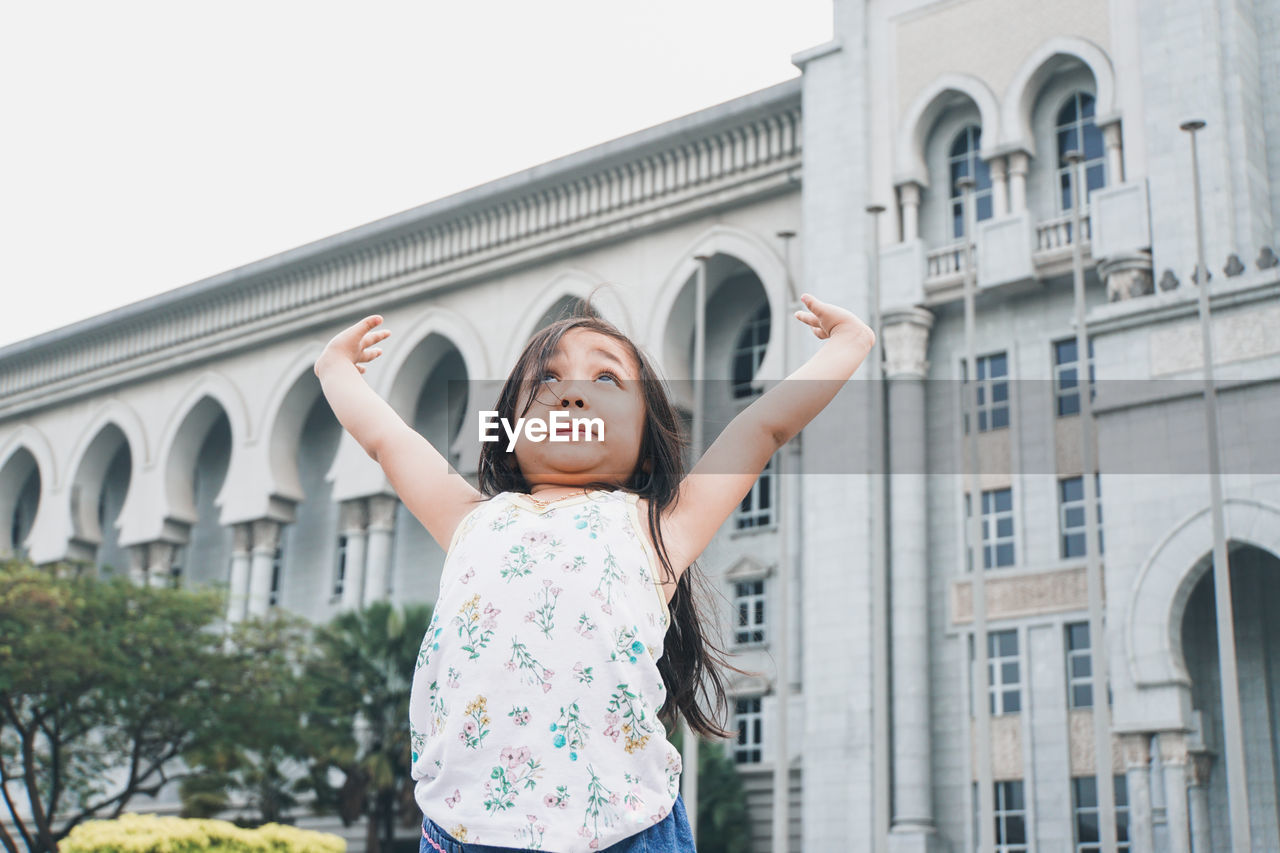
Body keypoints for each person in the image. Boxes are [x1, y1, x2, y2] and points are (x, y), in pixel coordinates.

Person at [314, 291, 875, 852]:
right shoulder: (468, 520)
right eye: (547, 380)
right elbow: (387, 441)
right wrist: (334, 369)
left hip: (624, 832)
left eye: (607, 380)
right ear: (509, 435)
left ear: (646, 449)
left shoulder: (661, 528)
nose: (573, 393)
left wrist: (848, 346)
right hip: (465, 830)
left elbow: (763, 429)